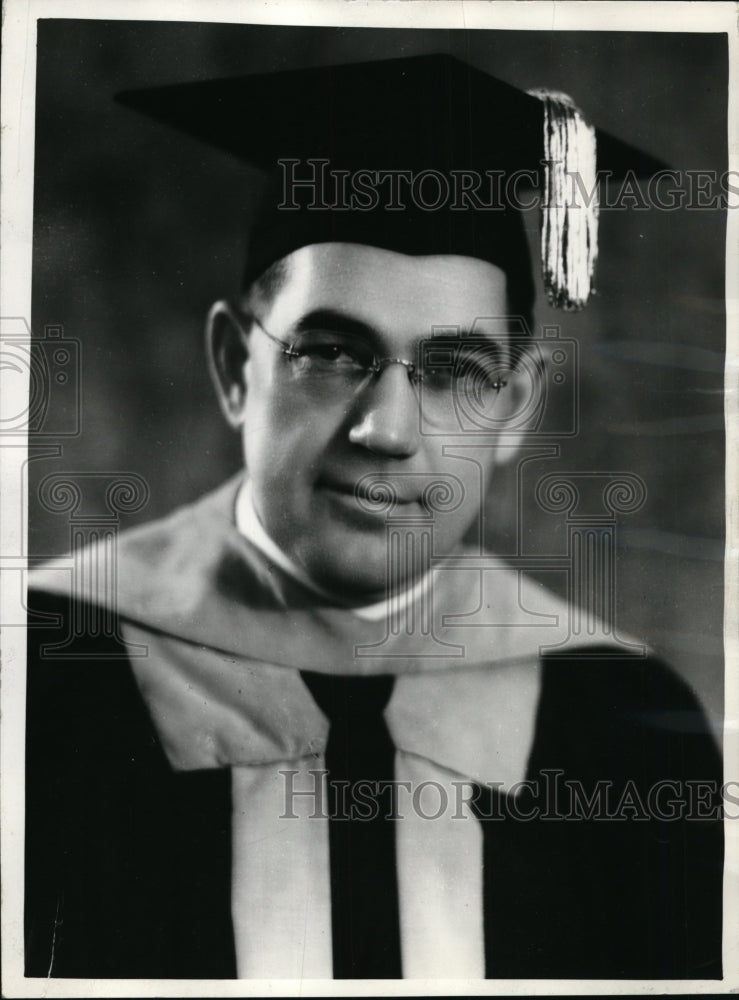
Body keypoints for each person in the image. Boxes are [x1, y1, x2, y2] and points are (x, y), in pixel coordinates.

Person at [25, 53, 723, 980]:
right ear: (237, 368)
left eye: (454, 372)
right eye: (332, 352)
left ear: (514, 407)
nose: (386, 430)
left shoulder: (623, 728)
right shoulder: (40, 683)